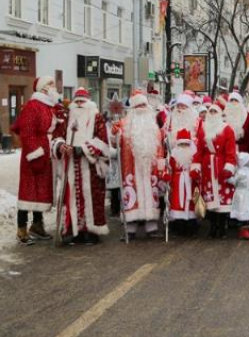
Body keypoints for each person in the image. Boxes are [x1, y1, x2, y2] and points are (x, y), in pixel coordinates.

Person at [52, 88, 112, 245]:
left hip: (90, 167)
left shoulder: (97, 117)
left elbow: (103, 142)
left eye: (82, 101)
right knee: (72, 198)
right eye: (76, 101)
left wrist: (80, 149)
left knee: (92, 199)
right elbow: (57, 136)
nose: (79, 104)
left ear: (89, 103)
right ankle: (74, 230)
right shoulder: (67, 117)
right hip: (71, 166)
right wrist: (61, 146)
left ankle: (91, 232)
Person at [12, 76, 60, 244]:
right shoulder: (33, 106)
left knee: (39, 191)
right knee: (27, 192)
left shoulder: (48, 107)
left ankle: (37, 226)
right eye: (51, 84)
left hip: (44, 154)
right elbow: (26, 131)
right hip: (34, 156)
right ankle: (21, 229)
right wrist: (35, 152)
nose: (54, 87)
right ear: (43, 88)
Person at [113, 90, 167, 239]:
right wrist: (114, 135)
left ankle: (152, 227)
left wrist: (161, 164)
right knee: (132, 196)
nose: (141, 108)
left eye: (144, 104)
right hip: (131, 168)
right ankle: (130, 229)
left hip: (150, 169)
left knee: (151, 195)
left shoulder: (153, 126)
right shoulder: (124, 125)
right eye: (138, 105)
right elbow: (115, 143)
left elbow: (159, 147)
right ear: (133, 109)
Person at [193, 98, 237, 239]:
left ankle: (222, 227)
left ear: (219, 113)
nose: (211, 113)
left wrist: (229, 166)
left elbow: (231, 151)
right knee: (210, 198)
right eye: (209, 111)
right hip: (207, 168)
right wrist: (196, 165)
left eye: (214, 111)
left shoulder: (227, 129)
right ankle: (213, 227)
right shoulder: (203, 130)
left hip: (220, 167)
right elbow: (199, 150)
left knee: (222, 199)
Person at [165, 128, 198, 236]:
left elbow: (197, 166)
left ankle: (191, 226)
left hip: (190, 181)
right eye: (181, 144)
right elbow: (169, 168)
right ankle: (179, 227)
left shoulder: (194, 153)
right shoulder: (173, 154)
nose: (184, 146)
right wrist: (166, 176)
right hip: (178, 182)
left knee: (190, 204)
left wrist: (196, 173)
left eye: (186, 144)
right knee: (178, 204)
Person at [230, 151, 249, 240]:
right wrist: (229, 178)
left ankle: (245, 229)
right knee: (242, 211)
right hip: (241, 194)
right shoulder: (240, 172)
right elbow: (234, 181)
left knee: (247, 210)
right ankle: (243, 230)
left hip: (247, 194)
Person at [225, 91, 249, 155]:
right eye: (231, 100)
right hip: (227, 153)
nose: (233, 102)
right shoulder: (224, 117)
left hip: (244, 153)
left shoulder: (248, 116)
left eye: (236, 100)